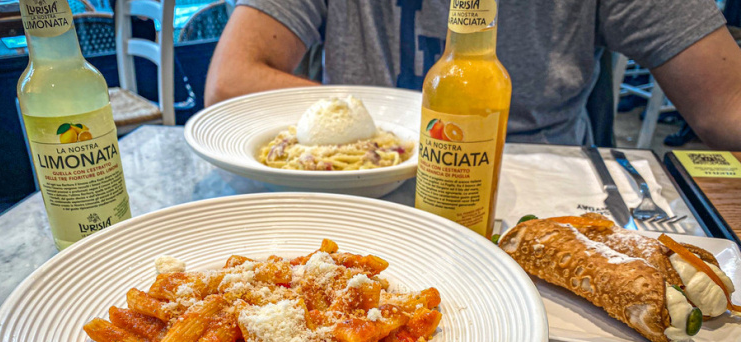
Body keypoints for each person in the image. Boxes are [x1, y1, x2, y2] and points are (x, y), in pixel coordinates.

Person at [204, 0, 741, 150]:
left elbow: (727, 104)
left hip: (537, 189)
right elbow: (228, 83)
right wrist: (363, 125)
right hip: (352, 192)